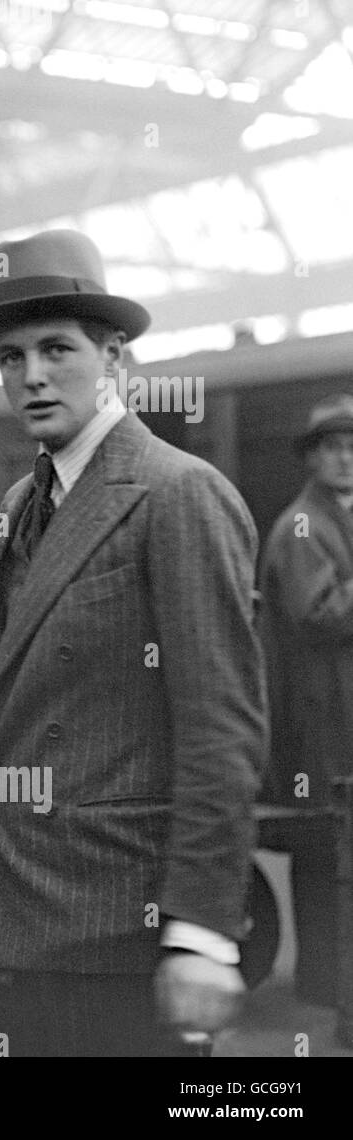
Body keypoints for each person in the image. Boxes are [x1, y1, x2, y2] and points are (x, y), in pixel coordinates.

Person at [0, 228, 267, 1056]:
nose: (31, 375)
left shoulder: (176, 495)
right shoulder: (26, 498)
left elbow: (221, 728)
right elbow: (7, 658)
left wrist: (202, 931)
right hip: (18, 910)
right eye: (11, 356)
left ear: (115, 355)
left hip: (119, 923)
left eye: (57, 348)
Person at [260, 393, 353, 1044]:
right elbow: (316, 614)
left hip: (335, 721)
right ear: (313, 458)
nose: (347, 458)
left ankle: (327, 984)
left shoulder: (331, 518)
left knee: (328, 857)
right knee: (327, 856)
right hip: (320, 726)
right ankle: (327, 989)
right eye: (333, 447)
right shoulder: (302, 525)